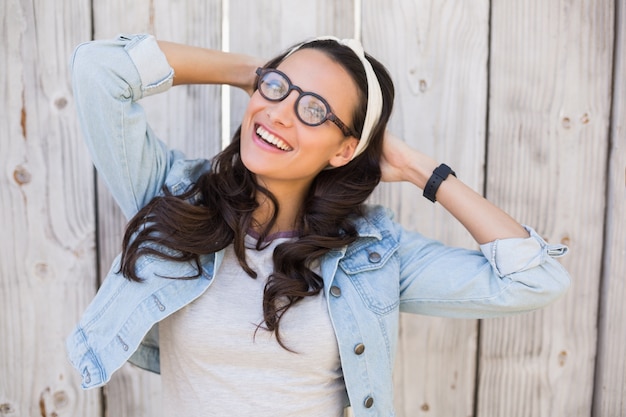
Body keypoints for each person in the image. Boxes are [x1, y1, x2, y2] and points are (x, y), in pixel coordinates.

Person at [66, 33, 571, 417]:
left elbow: (533, 279)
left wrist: (422, 171)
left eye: (314, 111)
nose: (280, 114)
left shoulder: (371, 255)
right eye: (278, 88)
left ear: (345, 150)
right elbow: (99, 70)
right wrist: (251, 73)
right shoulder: (174, 199)